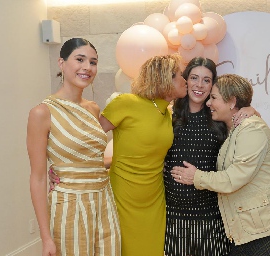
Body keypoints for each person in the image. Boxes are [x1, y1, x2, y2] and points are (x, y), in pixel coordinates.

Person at [171, 74, 270, 256]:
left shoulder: (251, 129)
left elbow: (234, 178)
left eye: (214, 98)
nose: (208, 103)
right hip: (252, 228)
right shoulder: (236, 129)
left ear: (232, 102)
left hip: (269, 230)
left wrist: (196, 177)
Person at [27, 38, 121, 256]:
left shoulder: (93, 108)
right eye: (80, 59)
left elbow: (90, 160)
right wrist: (46, 237)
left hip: (104, 202)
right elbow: (38, 178)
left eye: (93, 62)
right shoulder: (41, 113)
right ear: (62, 63)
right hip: (69, 206)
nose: (87, 67)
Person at [164, 57, 258, 256]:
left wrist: (251, 110)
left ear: (213, 85)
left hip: (211, 218)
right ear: (185, 81)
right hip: (172, 218)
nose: (199, 85)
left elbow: (253, 136)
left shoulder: (219, 117)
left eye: (206, 80)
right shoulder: (168, 116)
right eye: (194, 78)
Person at [98, 54, 188, 256]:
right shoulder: (126, 103)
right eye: (180, 76)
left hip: (154, 198)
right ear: (165, 78)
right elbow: (90, 138)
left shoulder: (168, 114)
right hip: (124, 195)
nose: (185, 80)